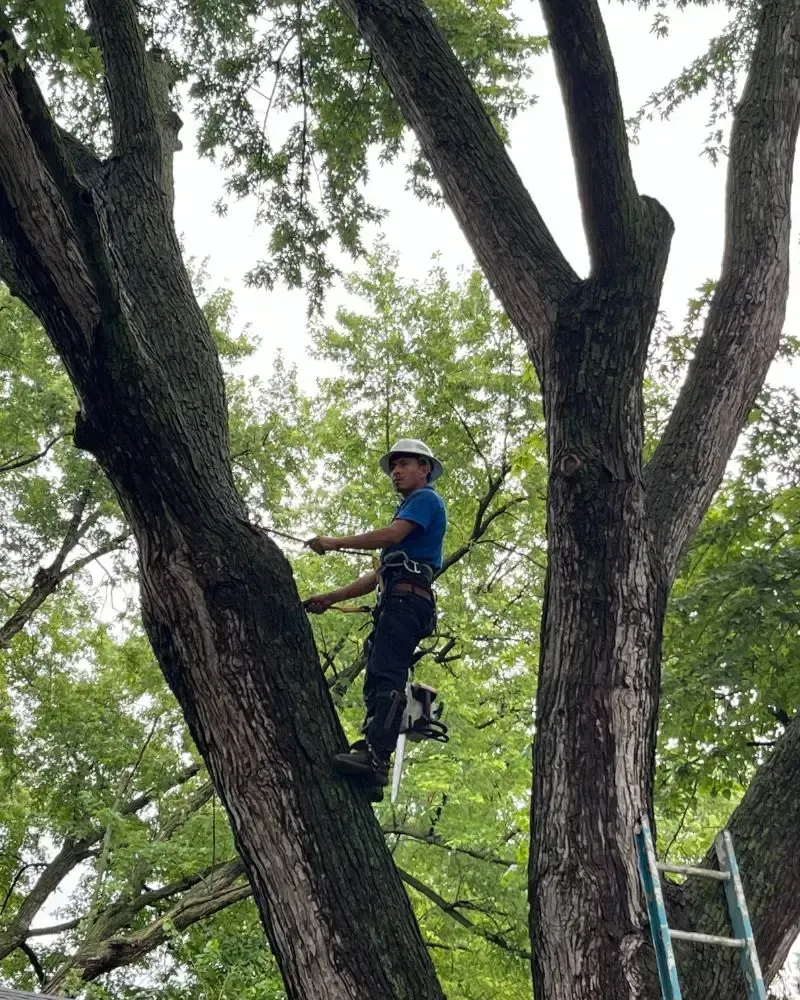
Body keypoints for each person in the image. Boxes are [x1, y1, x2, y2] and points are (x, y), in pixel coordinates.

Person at [305, 438, 447, 792]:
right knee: (380, 675)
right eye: (393, 467)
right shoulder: (407, 528)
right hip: (400, 600)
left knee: (386, 674)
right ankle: (373, 766)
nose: (396, 473)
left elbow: (392, 534)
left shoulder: (425, 500)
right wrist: (330, 597)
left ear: (424, 469)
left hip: (407, 602)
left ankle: (375, 756)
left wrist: (336, 541)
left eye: (403, 464)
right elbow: (375, 577)